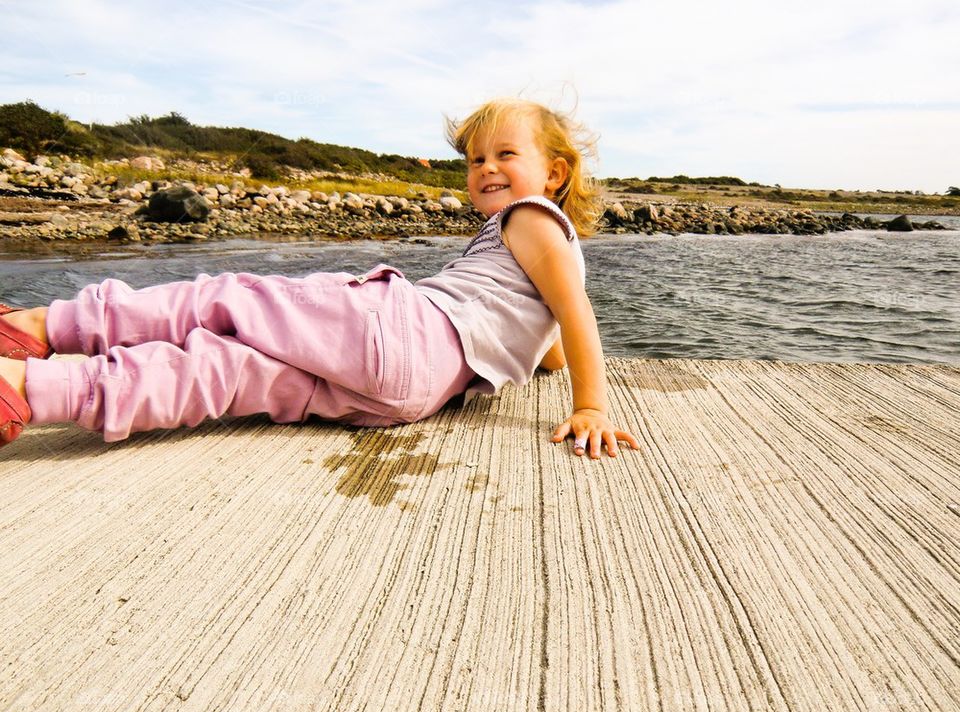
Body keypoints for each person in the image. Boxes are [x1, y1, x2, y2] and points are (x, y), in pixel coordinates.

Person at [0, 98, 640, 459]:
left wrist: (592, 406)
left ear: (554, 174)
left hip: (402, 328)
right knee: (223, 373)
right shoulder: (544, 248)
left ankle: (43, 327)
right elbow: (553, 337)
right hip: (409, 397)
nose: (485, 169)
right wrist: (564, 377)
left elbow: (575, 312)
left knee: (224, 301)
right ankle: (38, 389)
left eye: (505, 154)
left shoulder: (530, 219)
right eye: (475, 159)